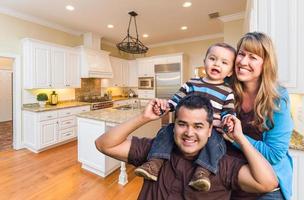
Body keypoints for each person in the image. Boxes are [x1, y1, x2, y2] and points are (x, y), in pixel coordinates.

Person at [95, 94, 278, 200]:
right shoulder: (155, 151)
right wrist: (143, 117)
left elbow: (267, 183)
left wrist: (240, 138)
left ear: (209, 131)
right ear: (173, 126)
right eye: (182, 124)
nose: (189, 132)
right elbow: (104, 144)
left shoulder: (223, 165)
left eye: (198, 126)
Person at [134, 42, 236, 191]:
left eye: (224, 62)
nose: (217, 64)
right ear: (205, 62)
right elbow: (176, 100)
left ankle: (202, 173)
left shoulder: (228, 91)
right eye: (212, 59)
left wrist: (228, 121)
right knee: (166, 131)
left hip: (211, 130)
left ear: (230, 72)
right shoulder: (192, 83)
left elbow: (228, 112)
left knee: (217, 142)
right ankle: (155, 163)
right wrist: (165, 107)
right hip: (186, 125)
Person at [223, 32, 293, 200]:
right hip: (232, 177)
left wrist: (236, 138)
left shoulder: (277, 98)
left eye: (252, 57)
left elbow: (275, 154)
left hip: (267, 186)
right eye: (241, 54)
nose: (243, 62)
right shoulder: (226, 88)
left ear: (265, 64)